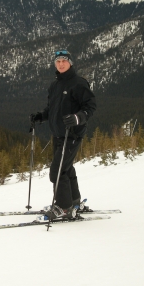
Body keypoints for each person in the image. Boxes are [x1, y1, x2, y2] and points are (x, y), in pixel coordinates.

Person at [30, 49, 97, 220]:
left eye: (64, 61)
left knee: (57, 172)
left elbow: (90, 107)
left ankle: (64, 207)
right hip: (58, 134)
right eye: (58, 61)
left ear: (70, 63)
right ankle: (74, 201)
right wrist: (41, 116)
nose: (61, 64)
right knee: (66, 168)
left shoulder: (79, 83)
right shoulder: (55, 85)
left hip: (72, 134)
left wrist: (77, 118)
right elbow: (52, 109)